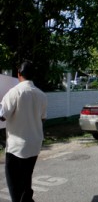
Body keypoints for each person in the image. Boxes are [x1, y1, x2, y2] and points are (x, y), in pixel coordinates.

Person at [0, 61, 48, 202]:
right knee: (26, 179)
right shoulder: (41, 95)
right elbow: (42, 119)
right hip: (34, 144)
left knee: (15, 185)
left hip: (17, 146)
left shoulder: (14, 92)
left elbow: (3, 116)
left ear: (18, 73)